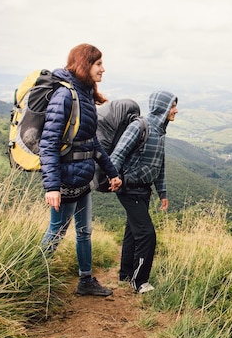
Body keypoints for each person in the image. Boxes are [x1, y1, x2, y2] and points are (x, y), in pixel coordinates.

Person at [39, 43, 122, 296]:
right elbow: (48, 143)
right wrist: (52, 186)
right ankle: (28, 275)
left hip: (83, 178)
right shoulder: (65, 95)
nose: (103, 69)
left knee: (84, 232)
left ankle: (86, 281)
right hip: (65, 179)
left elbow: (91, 142)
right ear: (86, 64)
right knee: (56, 232)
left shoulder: (84, 94)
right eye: (99, 64)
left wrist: (112, 172)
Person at [109, 90, 178, 293]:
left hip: (143, 190)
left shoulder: (160, 132)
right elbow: (118, 153)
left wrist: (162, 193)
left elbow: (160, 165)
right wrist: (113, 177)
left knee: (132, 232)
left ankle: (126, 274)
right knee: (147, 234)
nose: (175, 110)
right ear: (162, 107)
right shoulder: (140, 126)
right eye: (172, 106)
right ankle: (139, 282)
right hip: (129, 189)